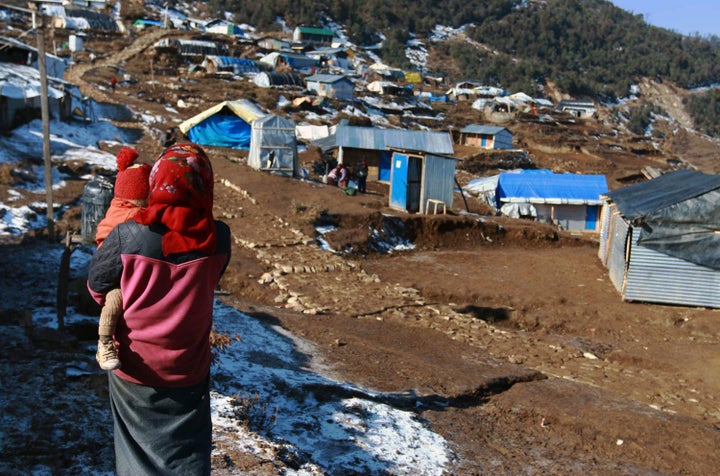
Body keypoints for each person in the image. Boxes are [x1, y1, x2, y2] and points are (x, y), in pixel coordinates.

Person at [87, 142, 231, 475]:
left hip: (135, 366)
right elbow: (212, 279)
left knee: (136, 450)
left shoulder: (128, 235)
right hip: (188, 367)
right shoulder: (220, 238)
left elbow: (97, 286)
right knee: (187, 452)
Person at [94, 147, 151, 371]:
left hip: (127, 261)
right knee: (116, 298)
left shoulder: (123, 207)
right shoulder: (130, 217)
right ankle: (104, 341)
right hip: (114, 266)